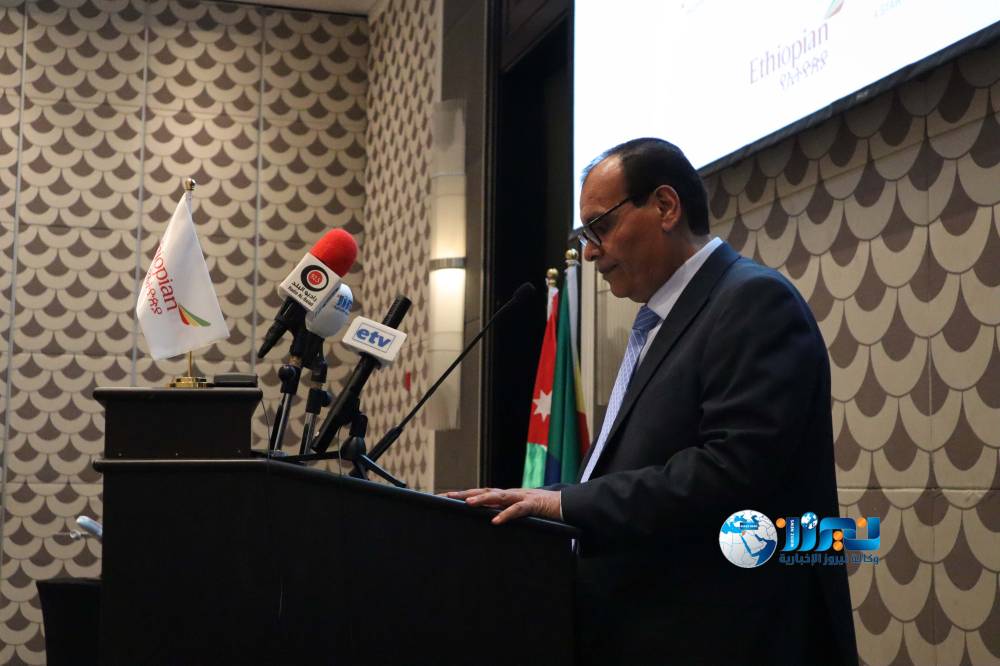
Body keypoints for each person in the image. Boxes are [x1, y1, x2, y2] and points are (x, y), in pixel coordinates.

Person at [447, 138, 858, 665]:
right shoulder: (662, 321)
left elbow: (730, 472)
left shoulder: (753, 301)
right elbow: (642, 468)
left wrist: (567, 504)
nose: (590, 252)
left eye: (600, 226)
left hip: (730, 638)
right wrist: (544, 499)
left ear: (665, 206)